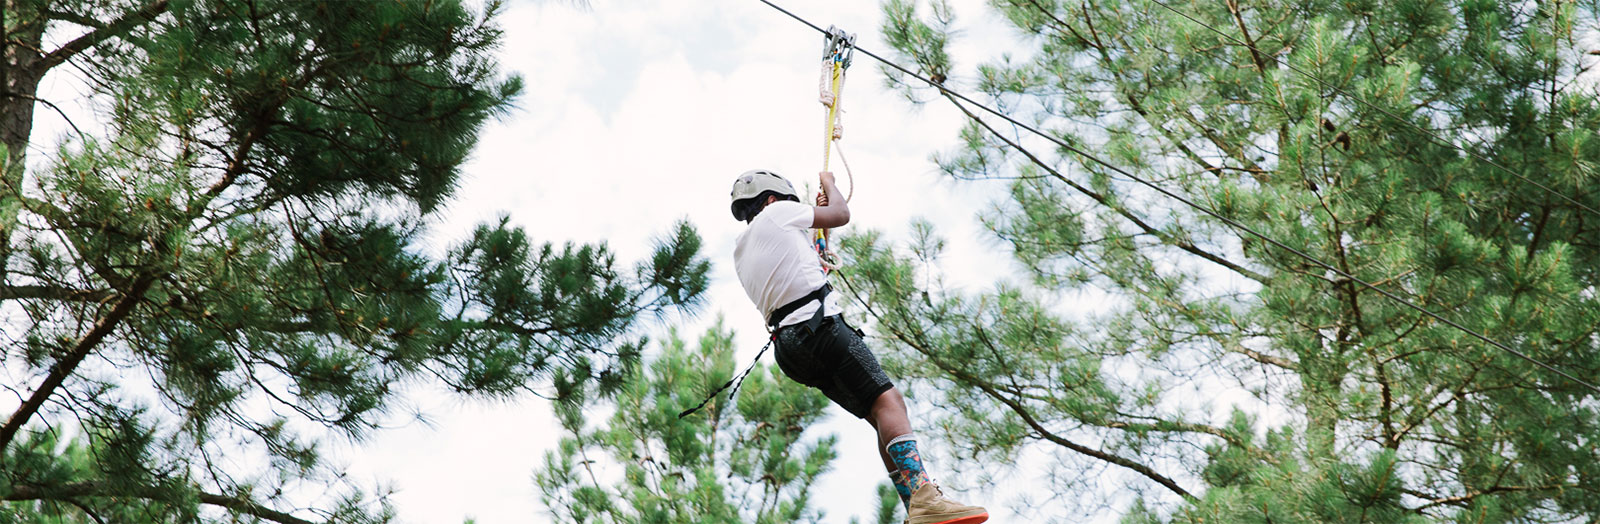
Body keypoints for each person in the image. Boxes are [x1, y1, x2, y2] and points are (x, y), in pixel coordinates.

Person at [729, 169, 988, 524]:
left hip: (790, 349)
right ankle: (925, 498)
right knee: (889, 402)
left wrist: (820, 234)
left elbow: (808, 266)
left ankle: (916, 508)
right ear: (772, 199)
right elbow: (842, 213)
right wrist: (831, 187)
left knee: (881, 417)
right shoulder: (777, 213)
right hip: (820, 330)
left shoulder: (742, 252)